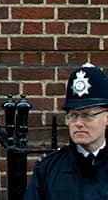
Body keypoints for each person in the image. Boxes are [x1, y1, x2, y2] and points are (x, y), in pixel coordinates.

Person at [24, 63, 108, 199]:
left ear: (107, 117)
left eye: (87, 115)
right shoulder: (48, 169)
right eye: (73, 115)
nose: (78, 123)